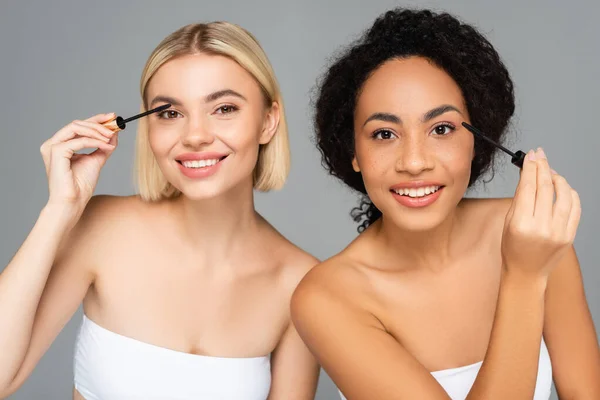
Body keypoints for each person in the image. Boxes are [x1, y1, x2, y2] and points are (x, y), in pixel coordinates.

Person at [291, 8, 600, 400]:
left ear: (476, 138)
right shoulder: (326, 298)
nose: (415, 162)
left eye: (441, 129)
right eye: (384, 134)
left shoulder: (530, 231)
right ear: (353, 151)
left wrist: (532, 263)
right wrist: (524, 277)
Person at [0, 21, 319, 400]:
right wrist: (59, 211)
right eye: (170, 113)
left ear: (268, 121)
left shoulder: (302, 284)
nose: (195, 135)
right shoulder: (103, 230)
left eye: (224, 108)